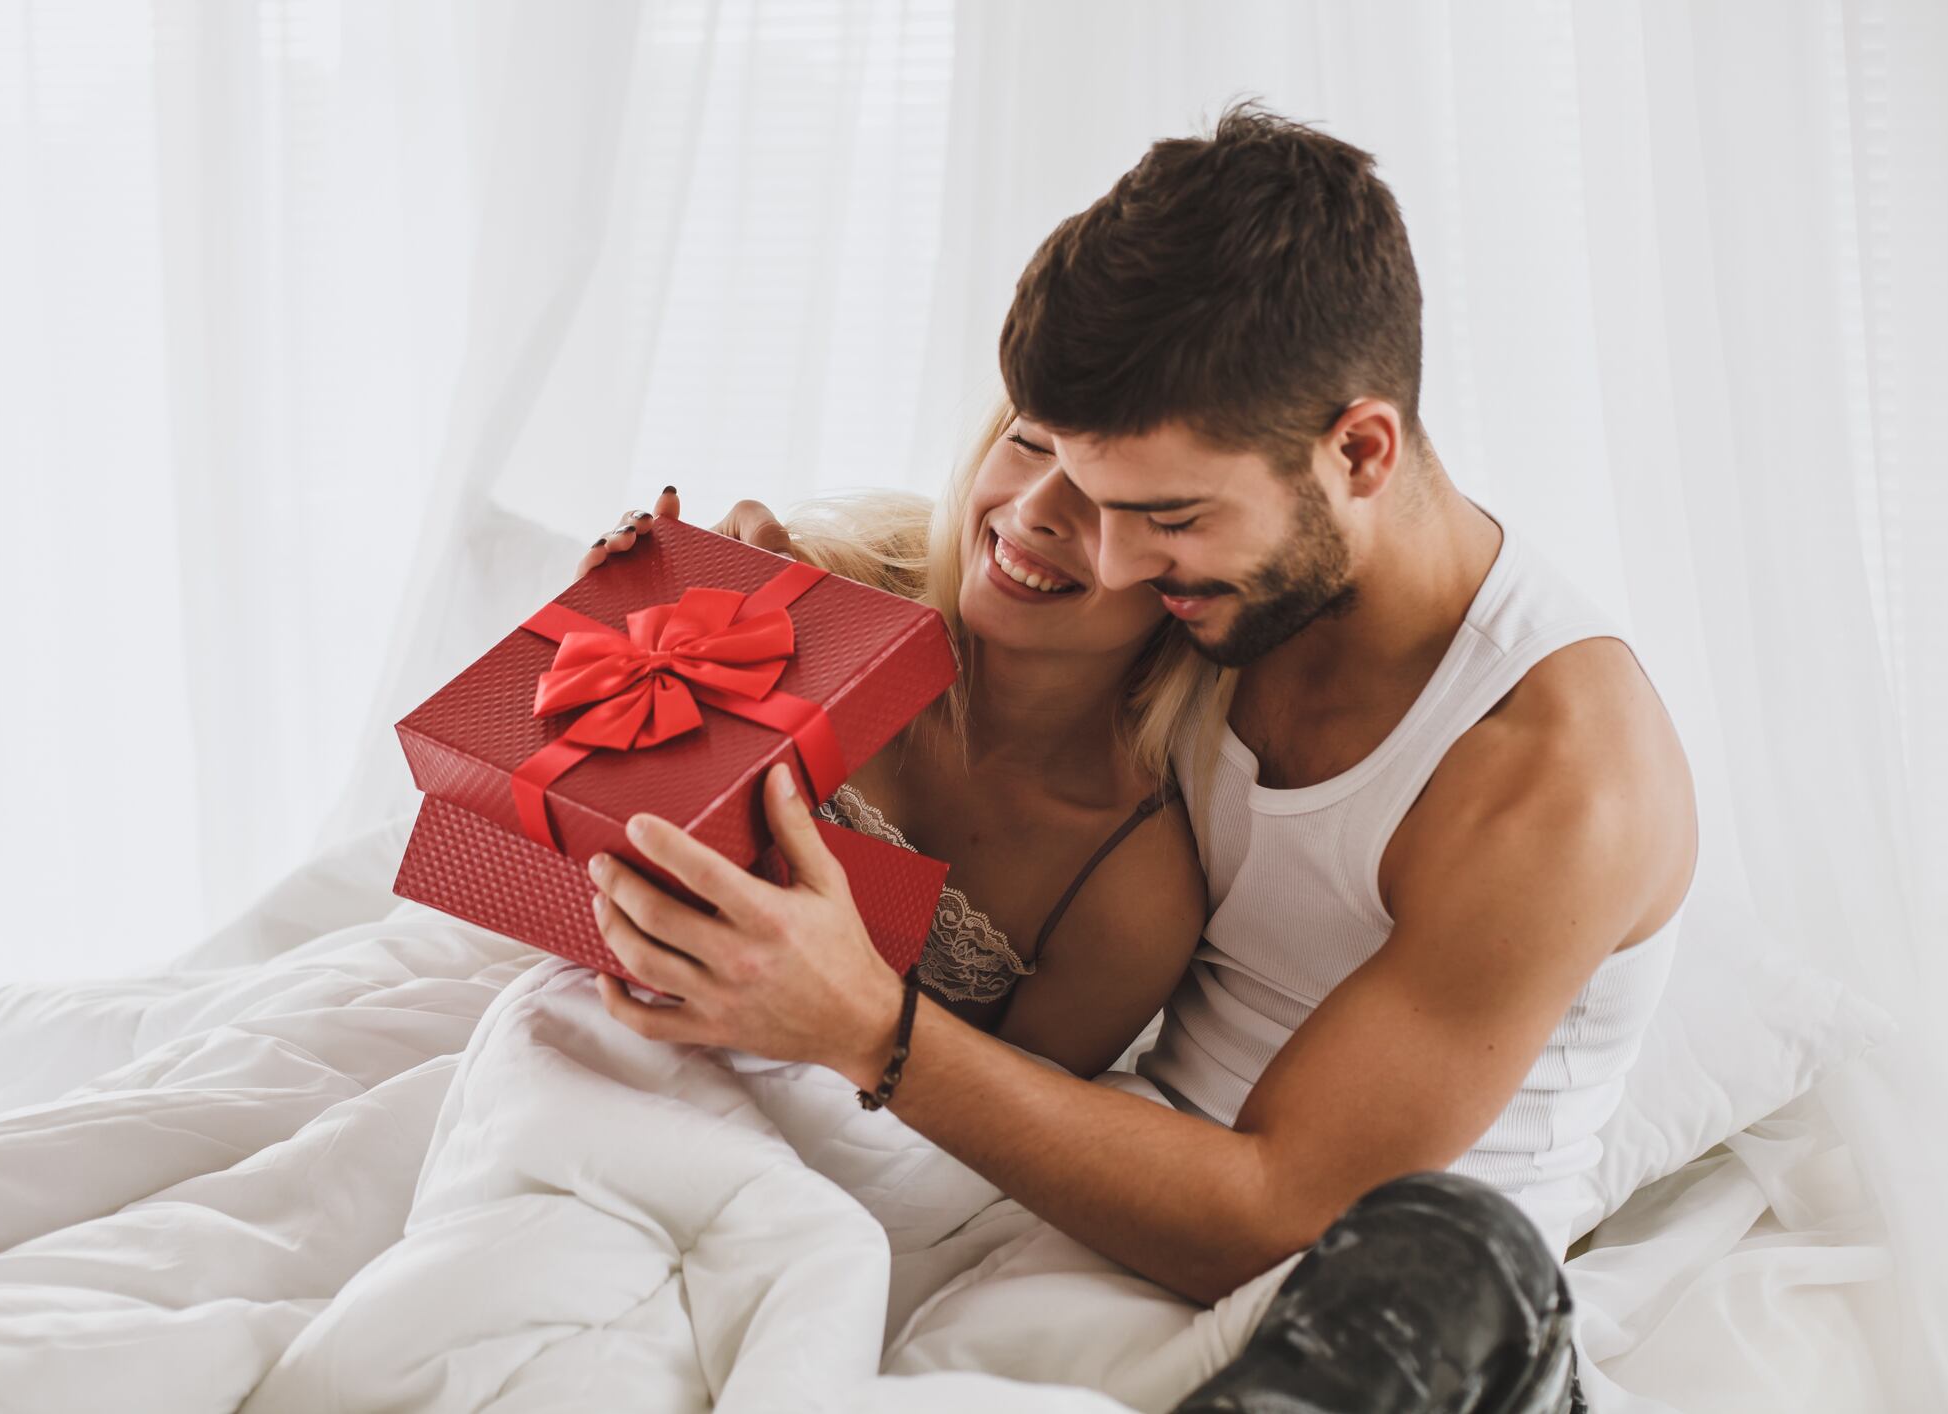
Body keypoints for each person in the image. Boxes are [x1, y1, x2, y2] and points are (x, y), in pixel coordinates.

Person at [578, 101, 1698, 1412]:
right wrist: (725, 620)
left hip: (1383, 1304)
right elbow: (962, 688)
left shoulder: (1555, 772)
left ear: (1358, 450)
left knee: (1449, 1247)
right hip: (1114, 1211)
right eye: (1092, 496)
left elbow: (1281, 1203)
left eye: (1161, 517)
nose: (1105, 558)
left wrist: (867, 1029)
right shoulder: (1214, 591)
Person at [574, 398, 1220, 1082]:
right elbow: (560, 834)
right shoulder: (821, 590)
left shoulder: (1129, 895)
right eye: (1032, 442)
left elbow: (995, 1148)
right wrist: (607, 647)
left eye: (1114, 495)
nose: (1035, 508)